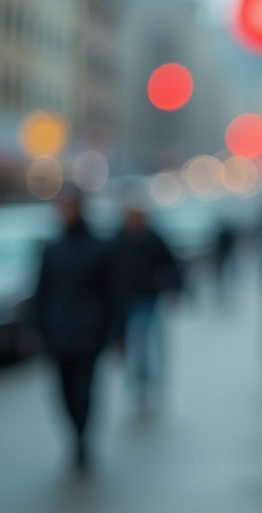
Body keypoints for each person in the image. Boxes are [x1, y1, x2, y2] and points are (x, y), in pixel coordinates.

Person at [29, 185, 118, 473]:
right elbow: (41, 291)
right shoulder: (52, 248)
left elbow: (112, 294)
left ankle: (82, 441)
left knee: (83, 391)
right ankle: (73, 436)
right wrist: (34, 329)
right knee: (63, 393)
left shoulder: (99, 247)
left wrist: (115, 333)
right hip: (57, 333)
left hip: (89, 334)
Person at [110, 204, 181, 413]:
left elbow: (171, 266)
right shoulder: (118, 241)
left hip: (148, 300)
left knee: (146, 346)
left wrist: (171, 288)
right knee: (135, 346)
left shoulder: (153, 239)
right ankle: (140, 384)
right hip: (125, 302)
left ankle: (146, 385)